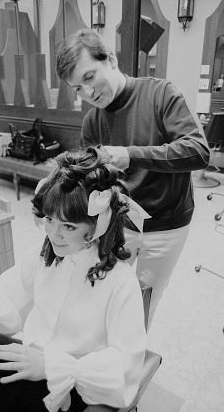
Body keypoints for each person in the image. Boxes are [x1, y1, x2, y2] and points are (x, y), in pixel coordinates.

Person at [0, 146, 146, 412]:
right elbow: (6, 291)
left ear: (98, 225)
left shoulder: (120, 282)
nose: (54, 234)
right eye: (49, 219)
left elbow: (126, 368)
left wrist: (50, 366)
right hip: (35, 358)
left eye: (69, 226)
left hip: (71, 387)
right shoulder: (48, 254)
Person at [56, 28, 210, 322]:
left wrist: (131, 154)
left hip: (166, 224)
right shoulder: (92, 121)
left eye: (89, 77)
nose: (87, 93)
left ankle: (132, 362)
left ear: (111, 59)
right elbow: (89, 181)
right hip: (119, 225)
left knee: (142, 304)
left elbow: (198, 151)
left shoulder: (161, 93)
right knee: (109, 295)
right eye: (77, 88)